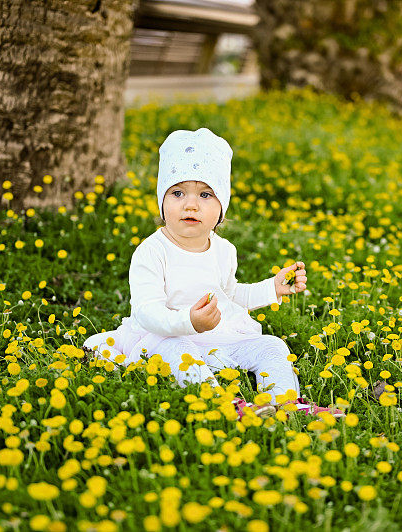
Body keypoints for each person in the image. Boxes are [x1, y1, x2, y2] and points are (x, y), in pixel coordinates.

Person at [83, 127, 343, 420]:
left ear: (221, 209)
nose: (190, 204)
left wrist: (272, 288)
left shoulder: (224, 250)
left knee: (272, 345)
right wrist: (188, 321)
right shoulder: (152, 251)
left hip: (216, 336)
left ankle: (284, 402)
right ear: (162, 201)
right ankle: (221, 402)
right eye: (177, 192)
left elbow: (230, 295)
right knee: (178, 349)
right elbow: (146, 312)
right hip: (164, 336)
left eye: (205, 194)